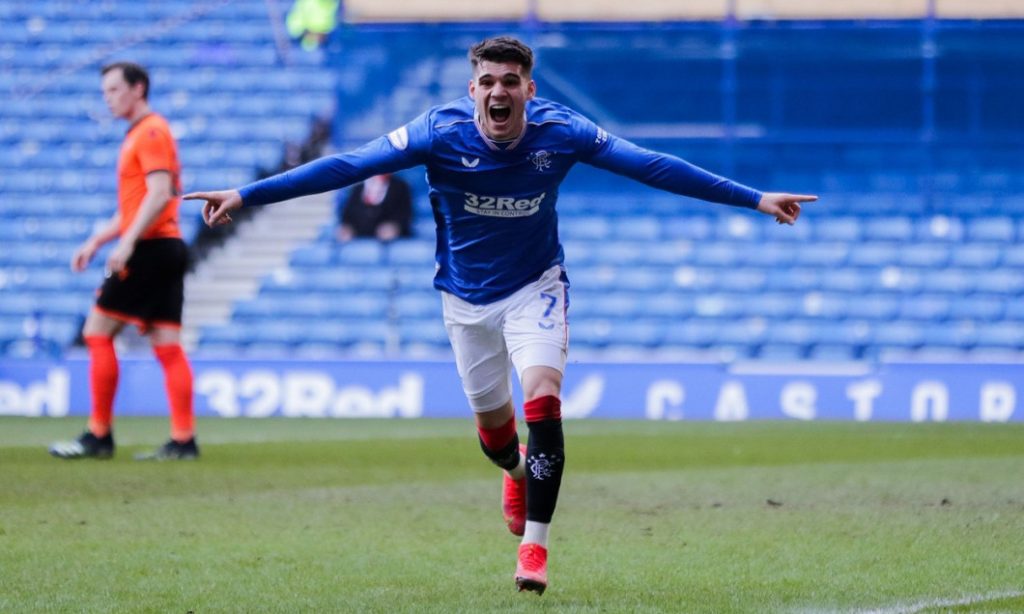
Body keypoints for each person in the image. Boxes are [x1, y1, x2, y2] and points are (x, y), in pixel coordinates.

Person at [185, 36, 816, 594]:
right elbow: (348, 165)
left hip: (534, 288)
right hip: (463, 301)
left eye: (510, 81)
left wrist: (755, 198)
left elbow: (651, 165)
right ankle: (516, 471)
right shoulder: (437, 130)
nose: (498, 91)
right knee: (496, 441)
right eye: (487, 81)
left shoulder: (562, 131)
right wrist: (250, 192)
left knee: (543, 396)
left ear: (528, 90)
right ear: (473, 88)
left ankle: (534, 547)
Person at [49, 62, 199, 461]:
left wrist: (127, 244)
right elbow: (139, 204)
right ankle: (183, 439)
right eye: (105, 92)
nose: (108, 98)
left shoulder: (150, 131)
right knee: (167, 344)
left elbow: (159, 192)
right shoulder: (145, 132)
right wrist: (98, 239)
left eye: (114, 90)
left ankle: (99, 434)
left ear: (138, 89)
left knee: (97, 331)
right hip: (165, 246)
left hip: (150, 248)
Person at [335, 173, 414, 242]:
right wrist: (347, 228)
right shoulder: (357, 189)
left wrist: (395, 227)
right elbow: (347, 215)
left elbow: (405, 214)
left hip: (391, 243)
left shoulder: (400, 187)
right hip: (359, 240)